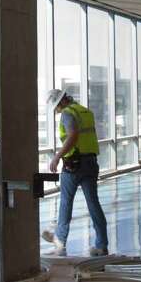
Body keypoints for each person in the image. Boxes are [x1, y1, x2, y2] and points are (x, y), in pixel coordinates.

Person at [41, 88, 108, 257]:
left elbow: (73, 136)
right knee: (94, 204)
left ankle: (60, 243)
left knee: (65, 203)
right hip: (91, 163)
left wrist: (57, 157)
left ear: (61, 101)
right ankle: (101, 245)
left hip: (74, 165)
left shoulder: (67, 113)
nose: (57, 111)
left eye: (56, 107)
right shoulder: (85, 112)